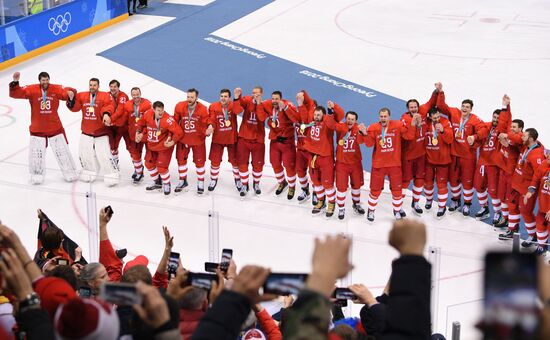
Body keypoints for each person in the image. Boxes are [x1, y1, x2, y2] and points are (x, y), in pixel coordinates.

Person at [9, 71, 78, 184]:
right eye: (43, 80)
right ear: (39, 81)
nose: (45, 82)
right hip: (38, 127)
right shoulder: (32, 89)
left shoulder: (56, 88)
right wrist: (15, 82)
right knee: (36, 153)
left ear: (49, 80)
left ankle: (69, 172)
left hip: (54, 126)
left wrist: (70, 94)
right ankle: (36, 174)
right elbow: (17, 93)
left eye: (47, 80)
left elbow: (67, 91)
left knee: (62, 150)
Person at [435, 82, 488, 216]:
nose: (464, 108)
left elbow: (484, 130)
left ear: (471, 109)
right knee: (453, 180)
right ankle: (456, 200)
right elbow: (441, 106)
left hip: (467, 156)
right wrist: (440, 92)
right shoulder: (454, 113)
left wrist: (474, 137)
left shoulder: (475, 120)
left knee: (467, 182)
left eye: (467, 107)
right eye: (463, 106)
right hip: (453, 154)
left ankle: (467, 204)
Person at [359, 108, 415, 222]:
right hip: (379, 165)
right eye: (381, 116)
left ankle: (397, 210)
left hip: (394, 165)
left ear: (389, 116)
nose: (383, 118)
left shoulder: (398, 125)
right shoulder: (374, 127)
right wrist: (364, 133)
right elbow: (369, 144)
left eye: (385, 116)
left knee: (397, 191)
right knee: (375, 190)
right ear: (379, 117)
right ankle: (371, 210)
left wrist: (413, 124)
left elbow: (409, 136)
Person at [67, 77, 119, 185]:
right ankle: (89, 171)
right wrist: (71, 100)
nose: (92, 87)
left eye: (94, 85)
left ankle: (111, 174)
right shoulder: (82, 95)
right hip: (86, 131)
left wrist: (106, 114)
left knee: (104, 155)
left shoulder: (105, 95)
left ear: (98, 86)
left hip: (101, 132)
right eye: (90, 85)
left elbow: (109, 105)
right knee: (85, 154)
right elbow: (75, 108)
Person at [499, 128, 545, 246]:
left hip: (526, 189)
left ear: (530, 139)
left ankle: (533, 235)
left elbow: (538, 175)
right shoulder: (525, 146)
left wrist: (531, 190)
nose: (521, 138)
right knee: (512, 206)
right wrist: (507, 137)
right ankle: (512, 229)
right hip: (516, 184)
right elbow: (517, 138)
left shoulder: (537, 155)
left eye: (524, 136)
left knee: (526, 212)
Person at [400, 90, 438, 215]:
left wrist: (437, 91)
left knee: (420, 179)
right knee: (405, 181)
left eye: (415, 107)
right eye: (411, 107)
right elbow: (407, 137)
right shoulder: (404, 119)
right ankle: (398, 205)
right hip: (408, 157)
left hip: (421, 155)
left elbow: (430, 102)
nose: (414, 109)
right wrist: (412, 124)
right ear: (408, 109)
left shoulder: (422, 112)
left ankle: (415, 202)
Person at [300, 105, 340, 217]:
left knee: (327, 184)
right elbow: (303, 132)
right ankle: (321, 202)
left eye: (319, 115)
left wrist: (330, 112)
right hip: (312, 157)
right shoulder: (311, 123)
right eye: (315, 114)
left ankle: (331, 203)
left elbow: (333, 122)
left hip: (325, 157)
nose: (316, 116)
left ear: (323, 115)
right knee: (316, 182)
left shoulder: (327, 125)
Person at [136, 101, 184, 195]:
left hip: (164, 147)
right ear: (153, 110)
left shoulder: (168, 119)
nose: (161, 113)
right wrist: (138, 132)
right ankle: (157, 182)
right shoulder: (147, 114)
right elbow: (140, 123)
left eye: (162, 110)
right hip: (151, 145)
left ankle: (166, 183)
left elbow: (179, 132)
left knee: (161, 168)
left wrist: (172, 142)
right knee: (148, 164)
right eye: (158, 111)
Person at [259, 91, 300, 198]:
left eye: (277, 99)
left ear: (281, 99)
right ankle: (282, 182)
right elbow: (260, 113)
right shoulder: (269, 104)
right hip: (275, 141)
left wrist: (285, 108)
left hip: (287, 142)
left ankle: (292, 187)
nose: (274, 101)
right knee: (274, 163)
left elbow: (296, 119)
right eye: (273, 99)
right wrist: (258, 101)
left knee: (289, 165)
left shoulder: (289, 105)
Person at [174, 88, 212, 194]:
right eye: (188, 97)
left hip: (198, 140)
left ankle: (200, 182)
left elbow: (207, 121)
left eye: (192, 97)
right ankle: (182, 181)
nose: (189, 99)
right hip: (183, 140)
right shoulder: (179, 106)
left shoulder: (203, 109)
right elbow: (175, 122)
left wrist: (209, 127)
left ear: (196, 98)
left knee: (200, 163)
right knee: (181, 161)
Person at [110, 87, 152, 183]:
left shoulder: (147, 104)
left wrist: (143, 133)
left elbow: (150, 121)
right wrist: (113, 122)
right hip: (133, 135)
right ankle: (139, 172)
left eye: (137, 94)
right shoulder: (128, 105)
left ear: (140, 94)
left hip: (145, 135)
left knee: (150, 158)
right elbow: (124, 119)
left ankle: (157, 177)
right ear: (131, 95)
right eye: (134, 95)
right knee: (135, 154)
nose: (136, 97)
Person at [207, 89, 244, 192]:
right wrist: (210, 126)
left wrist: (237, 98)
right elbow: (211, 119)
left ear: (229, 98)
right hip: (218, 139)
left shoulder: (233, 105)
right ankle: (213, 179)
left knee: (235, 161)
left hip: (232, 139)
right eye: (222, 96)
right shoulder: (213, 106)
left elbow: (238, 111)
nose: (223, 98)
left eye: (226, 96)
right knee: (215, 161)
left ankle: (238, 179)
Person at [234, 86, 267, 197]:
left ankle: (256, 184)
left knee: (258, 165)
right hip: (244, 138)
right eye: (253, 93)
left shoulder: (265, 105)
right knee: (242, 163)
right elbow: (240, 105)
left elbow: (262, 118)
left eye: (257, 93)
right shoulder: (247, 100)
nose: (255, 95)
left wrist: (258, 104)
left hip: (258, 140)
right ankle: (244, 184)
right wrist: (237, 96)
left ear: (261, 94)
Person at [473, 109, 505, 223]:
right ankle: (484, 208)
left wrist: (506, 107)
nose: (495, 120)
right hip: (482, 162)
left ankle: (497, 212)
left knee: (493, 191)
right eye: (494, 117)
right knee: (479, 187)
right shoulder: (486, 126)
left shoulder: (502, 129)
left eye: (498, 118)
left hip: (493, 164)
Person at [333, 111, 366, 220]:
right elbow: (331, 123)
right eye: (348, 118)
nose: (350, 121)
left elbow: (362, 142)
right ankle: (341, 208)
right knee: (341, 187)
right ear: (345, 118)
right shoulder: (340, 126)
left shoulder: (358, 128)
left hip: (355, 163)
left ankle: (356, 204)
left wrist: (363, 132)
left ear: (355, 121)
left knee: (356, 185)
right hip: (342, 163)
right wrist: (332, 109)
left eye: (352, 119)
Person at [423, 108, 454, 218]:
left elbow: (450, 139)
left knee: (441, 185)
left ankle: (442, 206)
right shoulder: (426, 123)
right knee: (427, 183)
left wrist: (442, 131)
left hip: (443, 160)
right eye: (434, 118)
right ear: (430, 117)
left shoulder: (445, 122)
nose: (437, 119)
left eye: (438, 117)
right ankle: (428, 201)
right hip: (429, 160)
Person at [496, 118, 524, 231]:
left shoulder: (520, 138)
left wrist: (507, 144)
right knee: (502, 197)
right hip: (504, 171)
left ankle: (513, 228)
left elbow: (516, 144)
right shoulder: (509, 136)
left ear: (520, 129)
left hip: (513, 175)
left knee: (511, 202)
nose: (512, 129)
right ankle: (505, 219)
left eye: (514, 127)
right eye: (511, 126)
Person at [523, 150, 550, 255]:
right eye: (548, 153)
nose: (547, 156)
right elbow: (536, 178)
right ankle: (541, 247)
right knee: (540, 227)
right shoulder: (544, 164)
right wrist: (530, 191)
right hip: (543, 205)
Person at [295, 90, 317, 203]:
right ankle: (305, 190)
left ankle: (316, 192)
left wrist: (301, 102)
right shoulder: (299, 113)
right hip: (300, 148)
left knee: (313, 173)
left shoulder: (312, 119)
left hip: (311, 150)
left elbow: (305, 120)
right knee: (300, 171)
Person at [108, 79, 129, 166]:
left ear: (118, 87)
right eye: (111, 86)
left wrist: (110, 119)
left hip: (123, 126)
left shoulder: (123, 96)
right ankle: (114, 163)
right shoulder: (107, 95)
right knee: (113, 145)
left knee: (131, 148)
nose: (113, 88)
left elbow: (120, 111)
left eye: (115, 87)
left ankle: (138, 168)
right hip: (112, 125)